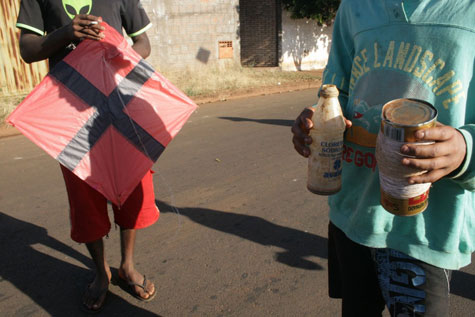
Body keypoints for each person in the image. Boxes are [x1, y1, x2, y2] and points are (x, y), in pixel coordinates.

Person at [292, 0, 475, 316]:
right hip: (354, 215)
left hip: (427, 228)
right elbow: (337, 91)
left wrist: (465, 148)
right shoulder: (355, 7)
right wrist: (318, 118)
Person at [16, 0, 158, 313]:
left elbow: (143, 42)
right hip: (69, 112)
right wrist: (66, 33)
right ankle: (101, 272)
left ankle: (127, 266)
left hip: (120, 106)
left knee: (131, 187)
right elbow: (27, 49)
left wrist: (124, 52)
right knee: (85, 197)